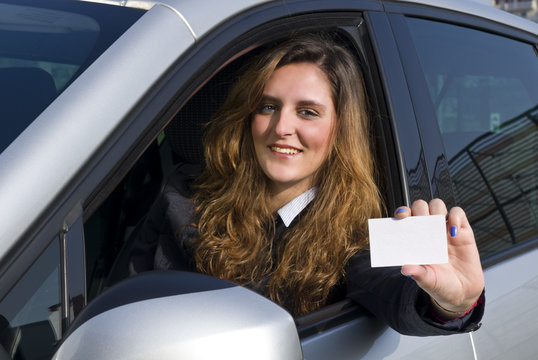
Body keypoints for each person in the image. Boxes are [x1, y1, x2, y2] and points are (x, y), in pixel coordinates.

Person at [126, 33, 485, 335]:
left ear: (340, 131)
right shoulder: (185, 198)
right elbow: (126, 306)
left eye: (308, 112)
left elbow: (400, 293)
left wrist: (453, 304)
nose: (281, 126)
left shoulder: (360, 235)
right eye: (268, 106)